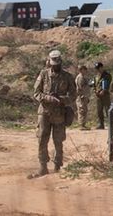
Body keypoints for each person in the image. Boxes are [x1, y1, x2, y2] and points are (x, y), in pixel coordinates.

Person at [31, 49, 75, 177]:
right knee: (42, 139)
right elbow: (36, 93)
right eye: (53, 64)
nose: (55, 66)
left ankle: (57, 166)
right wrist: (48, 98)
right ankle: (43, 166)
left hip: (59, 113)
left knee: (58, 140)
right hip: (44, 112)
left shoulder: (67, 77)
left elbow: (73, 95)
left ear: (61, 63)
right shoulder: (43, 74)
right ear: (50, 63)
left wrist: (61, 99)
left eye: (57, 64)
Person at [94, 62, 112, 130]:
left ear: (102, 67)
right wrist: (95, 91)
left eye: (98, 68)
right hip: (98, 95)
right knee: (99, 111)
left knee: (108, 110)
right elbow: (94, 84)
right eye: (97, 69)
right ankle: (101, 124)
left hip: (105, 95)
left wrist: (103, 91)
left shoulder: (107, 75)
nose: (97, 70)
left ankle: (111, 124)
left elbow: (107, 84)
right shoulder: (96, 76)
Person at [73, 64, 90, 130]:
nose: (85, 70)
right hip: (81, 97)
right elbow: (79, 88)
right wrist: (81, 95)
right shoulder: (80, 77)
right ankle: (81, 125)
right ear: (81, 70)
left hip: (84, 96)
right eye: (84, 69)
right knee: (81, 110)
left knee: (84, 110)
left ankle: (83, 124)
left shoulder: (83, 77)